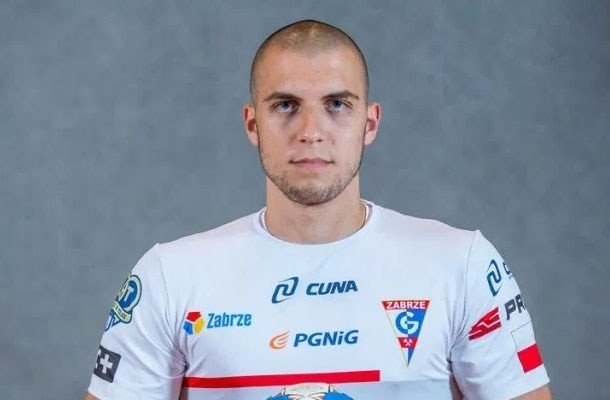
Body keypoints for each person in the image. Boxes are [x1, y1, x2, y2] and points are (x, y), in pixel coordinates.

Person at [85, 19, 552, 400]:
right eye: (286, 105)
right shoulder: (170, 276)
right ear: (252, 124)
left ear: (370, 122)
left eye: (337, 104)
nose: (311, 130)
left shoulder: (462, 265)